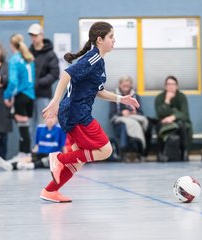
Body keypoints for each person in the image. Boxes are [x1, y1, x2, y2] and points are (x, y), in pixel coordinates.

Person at [40, 21, 140, 203]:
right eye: (111, 37)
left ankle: (50, 190)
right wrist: (54, 101)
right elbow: (66, 74)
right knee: (105, 150)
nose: (114, 40)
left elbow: (98, 91)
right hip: (76, 113)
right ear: (100, 40)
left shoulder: (99, 62)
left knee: (79, 159)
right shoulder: (92, 58)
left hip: (74, 112)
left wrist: (121, 99)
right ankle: (59, 158)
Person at [0, 115, 66, 171]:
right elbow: (37, 145)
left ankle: (28, 166)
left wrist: (66, 160)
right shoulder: (40, 128)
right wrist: (33, 152)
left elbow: (63, 146)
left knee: (48, 161)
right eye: (48, 118)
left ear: (56, 119)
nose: (50, 120)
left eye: (52, 117)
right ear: (44, 118)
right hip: (40, 153)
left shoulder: (60, 130)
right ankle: (10, 164)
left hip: (52, 155)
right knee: (28, 158)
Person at [3, 34, 35, 158]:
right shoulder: (28, 58)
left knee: (22, 127)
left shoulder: (14, 60)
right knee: (25, 126)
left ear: (12, 45)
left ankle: (25, 154)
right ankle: (23, 153)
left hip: (21, 96)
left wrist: (7, 96)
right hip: (30, 96)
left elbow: (13, 82)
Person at [28, 23, 60, 144]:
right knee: (31, 124)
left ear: (41, 35)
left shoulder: (50, 54)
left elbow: (54, 74)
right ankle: (33, 151)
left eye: (36, 35)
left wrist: (39, 83)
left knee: (44, 122)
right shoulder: (27, 53)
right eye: (32, 36)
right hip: (29, 94)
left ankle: (45, 151)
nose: (34, 38)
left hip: (43, 94)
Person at [109, 76, 149, 161]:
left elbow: (141, 113)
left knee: (138, 124)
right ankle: (124, 151)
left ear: (131, 85)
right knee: (125, 126)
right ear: (120, 85)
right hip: (120, 122)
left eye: (128, 85)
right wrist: (121, 113)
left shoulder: (136, 96)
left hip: (134, 119)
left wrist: (134, 113)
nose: (126, 86)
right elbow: (112, 115)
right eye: (124, 85)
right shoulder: (114, 97)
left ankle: (138, 151)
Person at [155, 76, 193, 161]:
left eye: (173, 84)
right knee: (158, 125)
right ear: (165, 86)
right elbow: (160, 113)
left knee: (183, 126)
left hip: (179, 123)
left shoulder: (181, 97)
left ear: (177, 86)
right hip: (164, 124)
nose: (171, 86)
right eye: (168, 84)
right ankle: (161, 153)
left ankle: (184, 152)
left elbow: (185, 114)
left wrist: (173, 117)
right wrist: (167, 100)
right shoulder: (160, 97)